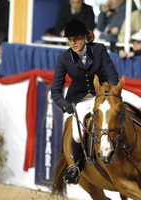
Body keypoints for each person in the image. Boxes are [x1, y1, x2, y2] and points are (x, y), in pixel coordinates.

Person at [51, 18, 141, 185]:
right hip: (82, 99)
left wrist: (113, 93)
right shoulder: (64, 58)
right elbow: (55, 91)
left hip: (107, 94)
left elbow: (112, 74)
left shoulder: (98, 49)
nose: (73, 42)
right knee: (77, 132)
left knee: (138, 102)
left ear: (85, 37)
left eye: (76, 38)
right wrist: (65, 105)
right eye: (70, 40)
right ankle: (75, 167)